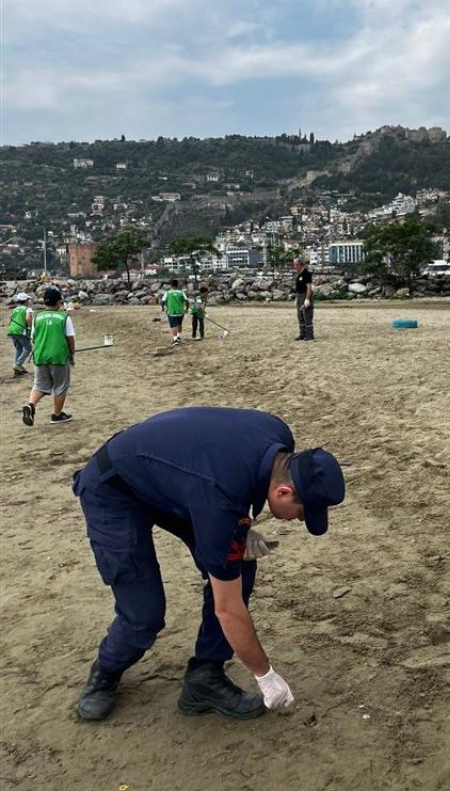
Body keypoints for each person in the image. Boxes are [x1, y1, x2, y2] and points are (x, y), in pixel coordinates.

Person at [73, 407, 346, 722]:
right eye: (301, 514)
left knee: (240, 563)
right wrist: (265, 675)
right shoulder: (220, 497)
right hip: (113, 487)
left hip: (175, 481)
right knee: (144, 614)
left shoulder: (279, 438)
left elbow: (220, 474)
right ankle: (106, 671)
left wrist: (240, 526)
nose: (298, 521)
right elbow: (227, 608)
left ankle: (205, 678)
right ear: (283, 491)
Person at [21, 287, 76, 426]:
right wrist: (72, 354)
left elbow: (34, 337)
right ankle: (57, 415)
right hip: (59, 356)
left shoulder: (37, 317)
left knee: (39, 385)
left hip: (40, 356)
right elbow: (70, 339)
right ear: (58, 302)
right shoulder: (64, 317)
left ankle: (31, 405)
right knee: (61, 387)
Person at [7, 292, 34, 377]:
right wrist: (30, 328)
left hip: (12, 330)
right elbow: (28, 318)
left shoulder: (15, 309)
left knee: (19, 348)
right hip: (20, 330)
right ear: (26, 300)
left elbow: (11, 319)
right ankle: (18, 364)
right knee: (28, 348)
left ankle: (18, 368)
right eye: (28, 299)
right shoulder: (27, 309)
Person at [161, 278, 189, 345]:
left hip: (172, 311)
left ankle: (175, 339)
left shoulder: (167, 293)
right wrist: (186, 309)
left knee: (173, 325)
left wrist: (162, 307)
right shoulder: (181, 292)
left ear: (170, 285)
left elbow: (163, 301)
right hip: (180, 311)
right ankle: (178, 336)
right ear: (177, 285)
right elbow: (187, 301)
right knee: (179, 324)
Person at [293, 256, 314, 341]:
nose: (294, 267)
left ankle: (310, 334)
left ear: (299, 265)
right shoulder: (299, 275)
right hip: (299, 295)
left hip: (305, 295)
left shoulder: (306, 274)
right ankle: (302, 333)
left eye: (295, 265)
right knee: (300, 315)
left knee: (307, 315)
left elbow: (309, 287)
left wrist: (307, 299)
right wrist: (296, 298)